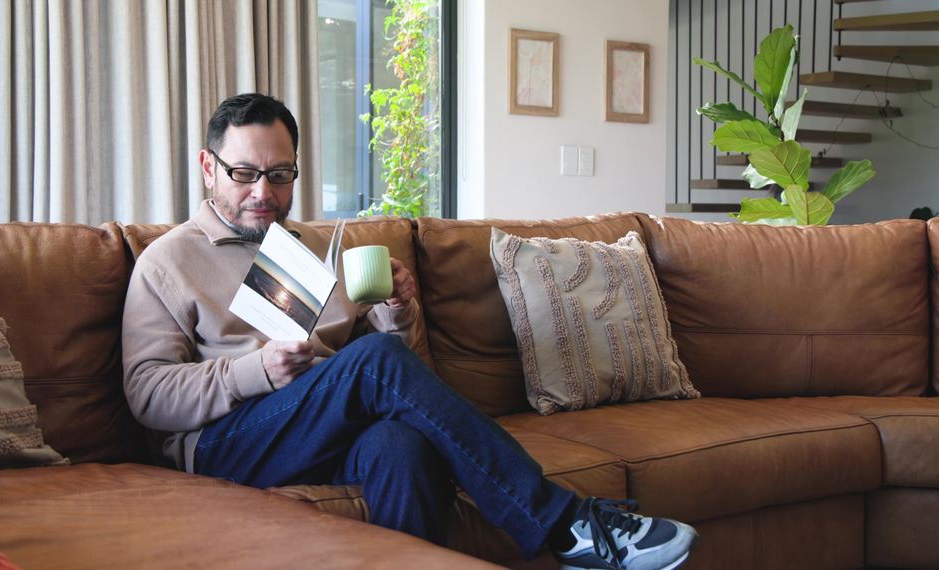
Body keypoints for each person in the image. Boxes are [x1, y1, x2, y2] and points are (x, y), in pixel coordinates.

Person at [122, 92, 697, 570]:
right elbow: (147, 395)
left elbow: (395, 374)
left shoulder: (315, 249)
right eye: (244, 174)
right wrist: (256, 371)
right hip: (228, 441)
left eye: (280, 175)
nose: (263, 193)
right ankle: (564, 523)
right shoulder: (168, 262)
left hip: (323, 426)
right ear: (207, 167)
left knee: (403, 445)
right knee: (373, 363)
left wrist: (397, 310)